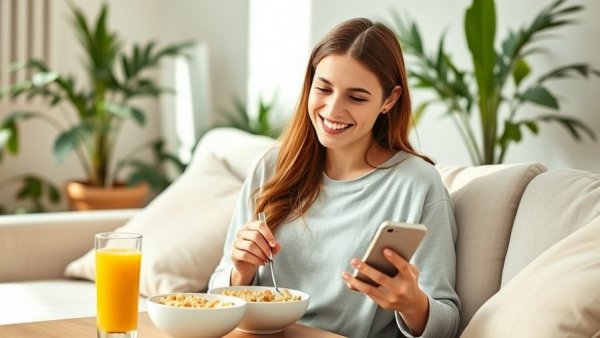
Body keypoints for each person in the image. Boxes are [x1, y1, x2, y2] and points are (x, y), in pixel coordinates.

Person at [209, 17, 460, 338]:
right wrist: (239, 272)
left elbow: (447, 324)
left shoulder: (417, 184)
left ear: (389, 100)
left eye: (356, 98)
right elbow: (215, 292)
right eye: (323, 88)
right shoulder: (272, 167)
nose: (332, 110)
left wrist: (412, 303)